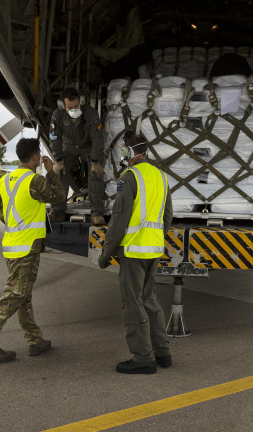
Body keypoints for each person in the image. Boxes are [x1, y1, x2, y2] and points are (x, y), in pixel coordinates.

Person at [0, 138, 65, 363]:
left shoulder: (5, 180)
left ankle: (35, 340)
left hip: (11, 244)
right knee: (14, 295)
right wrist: (52, 171)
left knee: (24, 294)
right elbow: (58, 196)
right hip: (27, 247)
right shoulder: (34, 181)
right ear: (35, 157)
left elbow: (0, 212)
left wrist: (17, 225)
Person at [98, 133, 173, 374]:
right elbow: (167, 216)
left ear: (130, 153)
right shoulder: (161, 176)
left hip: (134, 252)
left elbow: (118, 222)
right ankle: (162, 353)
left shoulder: (129, 178)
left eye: (124, 151)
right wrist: (155, 238)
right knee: (149, 299)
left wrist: (105, 254)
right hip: (153, 249)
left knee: (132, 303)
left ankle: (143, 358)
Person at [48, 87, 106, 224]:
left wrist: (96, 162)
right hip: (69, 147)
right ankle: (57, 211)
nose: (74, 110)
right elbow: (54, 138)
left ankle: (97, 213)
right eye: (70, 107)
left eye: (76, 106)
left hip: (88, 146)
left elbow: (98, 138)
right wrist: (58, 160)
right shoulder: (57, 115)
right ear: (63, 106)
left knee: (95, 174)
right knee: (59, 173)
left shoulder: (91, 114)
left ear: (81, 103)